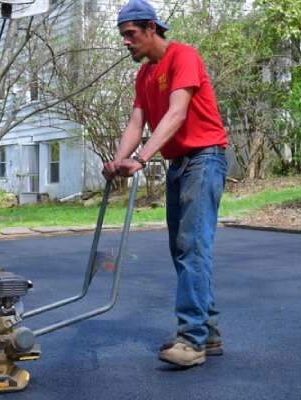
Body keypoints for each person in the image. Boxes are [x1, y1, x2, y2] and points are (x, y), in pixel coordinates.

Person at [103, 0, 228, 367]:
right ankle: (209, 332)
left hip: (205, 158)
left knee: (193, 247)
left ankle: (192, 341)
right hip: (178, 163)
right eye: (123, 35)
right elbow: (135, 124)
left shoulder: (183, 56)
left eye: (130, 34)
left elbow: (177, 112)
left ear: (151, 29)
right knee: (181, 250)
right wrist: (117, 159)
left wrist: (141, 159)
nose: (125, 42)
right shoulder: (144, 76)